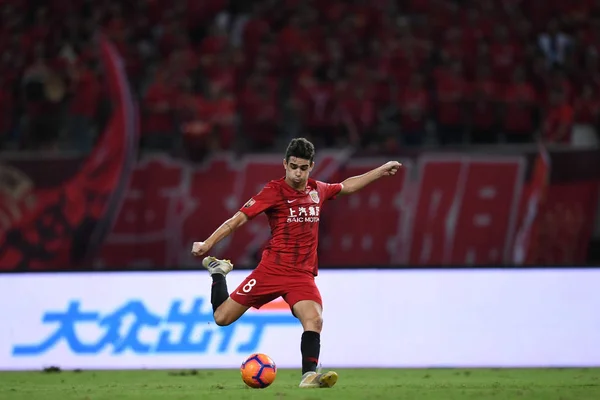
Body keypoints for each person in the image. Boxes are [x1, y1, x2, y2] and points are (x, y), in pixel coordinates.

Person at [191, 137, 401, 388]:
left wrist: (380, 171)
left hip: (301, 275)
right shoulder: (273, 191)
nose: (297, 173)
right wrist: (208, 243)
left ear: (311, 166)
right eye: (293, 167)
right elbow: (238, 219)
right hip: (271, 270)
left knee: (314, 320)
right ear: (285, 164)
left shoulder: (317, 190)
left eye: (303, 168)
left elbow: (347, 186)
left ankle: (309, 375)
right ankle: (218, 272)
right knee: (222, 318)